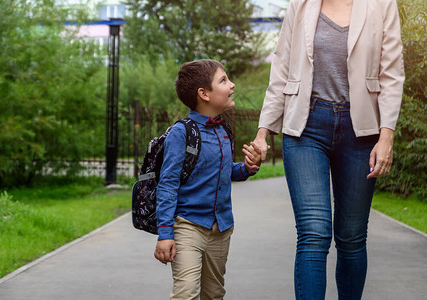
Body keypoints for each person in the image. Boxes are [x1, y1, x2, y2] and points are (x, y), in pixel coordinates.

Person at [253, 0, 404, 299]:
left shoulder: (382, 4)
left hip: (362, 131)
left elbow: (392, 74)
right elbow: (281, 67)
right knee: (313, 233)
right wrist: (263, 132)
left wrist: (386, 137)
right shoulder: (301, 4)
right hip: (306, 126)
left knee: (351, 237)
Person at [154, 59, 262, 300]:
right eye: (223, 80)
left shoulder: (223, 130)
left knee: (214, 294)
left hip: (221, 228)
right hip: (188, 225)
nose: (232, 85)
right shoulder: (182, 132)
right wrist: (165, 234)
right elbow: (168, 183)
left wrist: (246, 168)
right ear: (204, 94)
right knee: (186, 293)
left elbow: (225, 172)